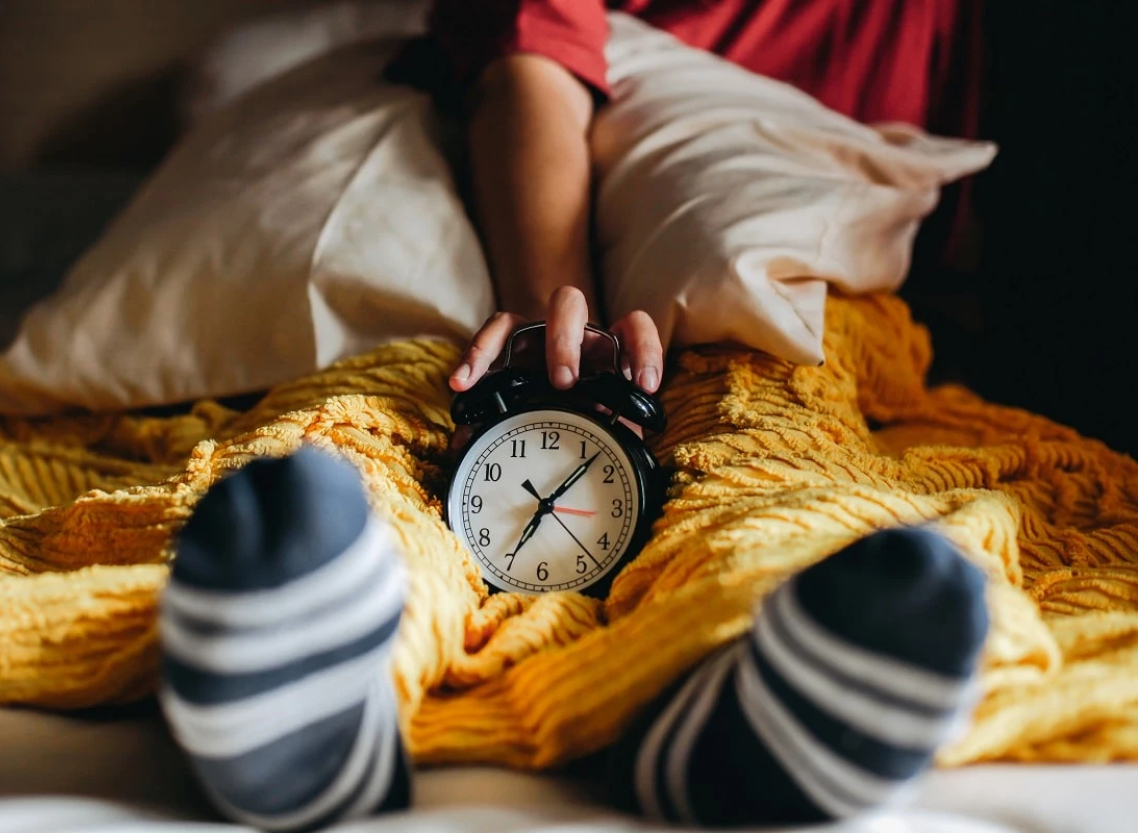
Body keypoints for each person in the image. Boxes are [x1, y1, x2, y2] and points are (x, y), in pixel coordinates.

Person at [157, 3, 988, 830]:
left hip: (782, 313)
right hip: (508, 301)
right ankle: (337, 690)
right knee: (383, 420)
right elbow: (529, 62)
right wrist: (552, 341)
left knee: (765, 445)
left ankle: (731, 683)